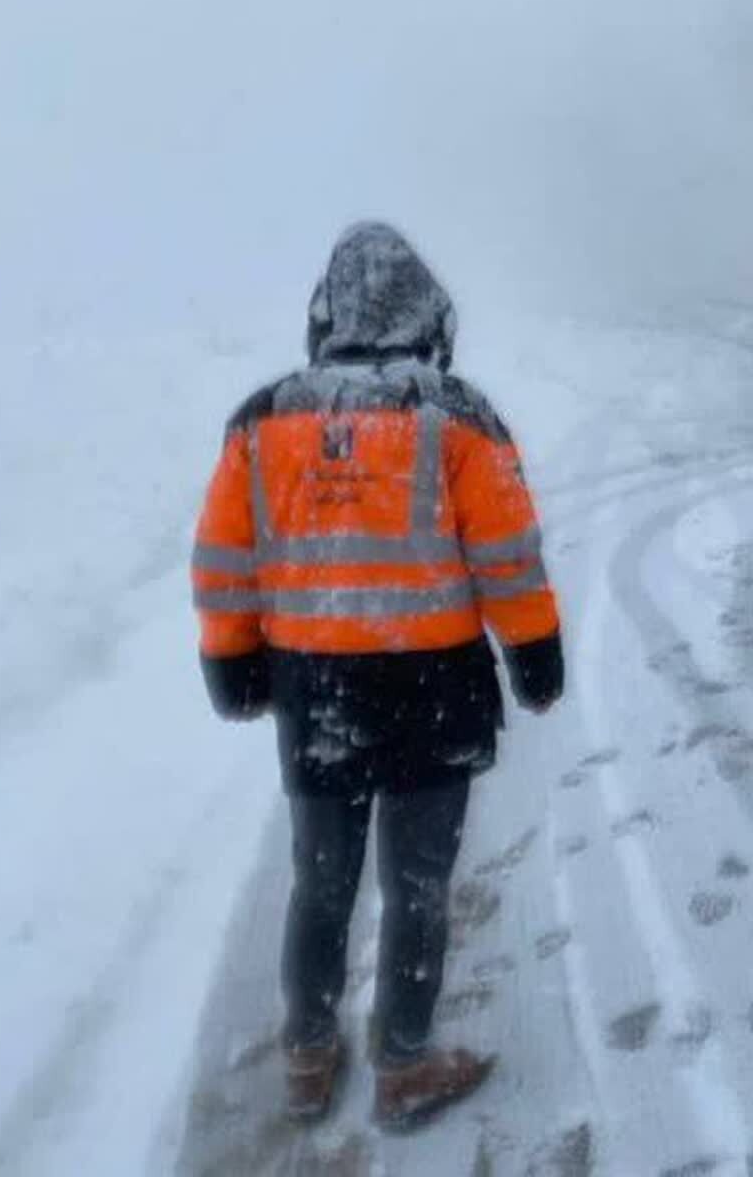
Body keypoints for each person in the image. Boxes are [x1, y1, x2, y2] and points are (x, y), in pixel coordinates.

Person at [190, 223, 564, 1130]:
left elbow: (225, 557)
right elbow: (506, 556)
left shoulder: (263, 419)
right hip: (433, 688)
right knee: (418, 888)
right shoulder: (458, 416)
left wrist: (229, 656)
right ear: (427, 313)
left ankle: (310, 1058)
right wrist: (533, 650)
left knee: (320, 881)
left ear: (327, 315)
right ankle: (402, 1066)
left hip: (315, 689)